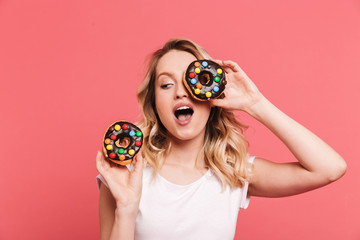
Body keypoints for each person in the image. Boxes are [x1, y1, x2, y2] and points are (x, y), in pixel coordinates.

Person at [95, 38, 347, 240]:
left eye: (190, 81)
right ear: (154, 103)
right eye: (166, 85)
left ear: (211, 96)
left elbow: (330, 168)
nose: (181, 92)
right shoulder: (125, 175)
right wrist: (126, 208)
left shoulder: (233, 172)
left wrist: (255, 103)